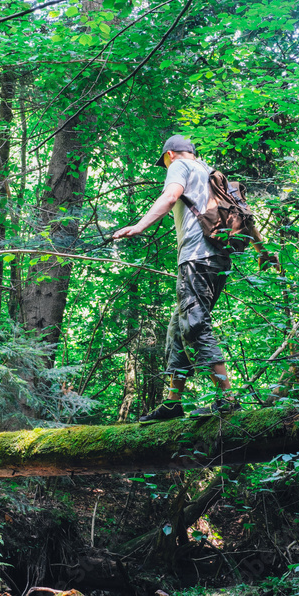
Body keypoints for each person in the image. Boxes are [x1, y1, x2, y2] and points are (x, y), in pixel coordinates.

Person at [113, 134, 241, 422]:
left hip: (195, 258)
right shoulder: (213, 174)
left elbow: (170, 196)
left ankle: (227, 399)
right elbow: (244, 214)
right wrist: (263, 250)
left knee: (194, 326)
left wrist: (139, 226)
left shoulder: (180, 166)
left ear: (170, 154)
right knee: (179, 326)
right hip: (220, 259)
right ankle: (173, 402)